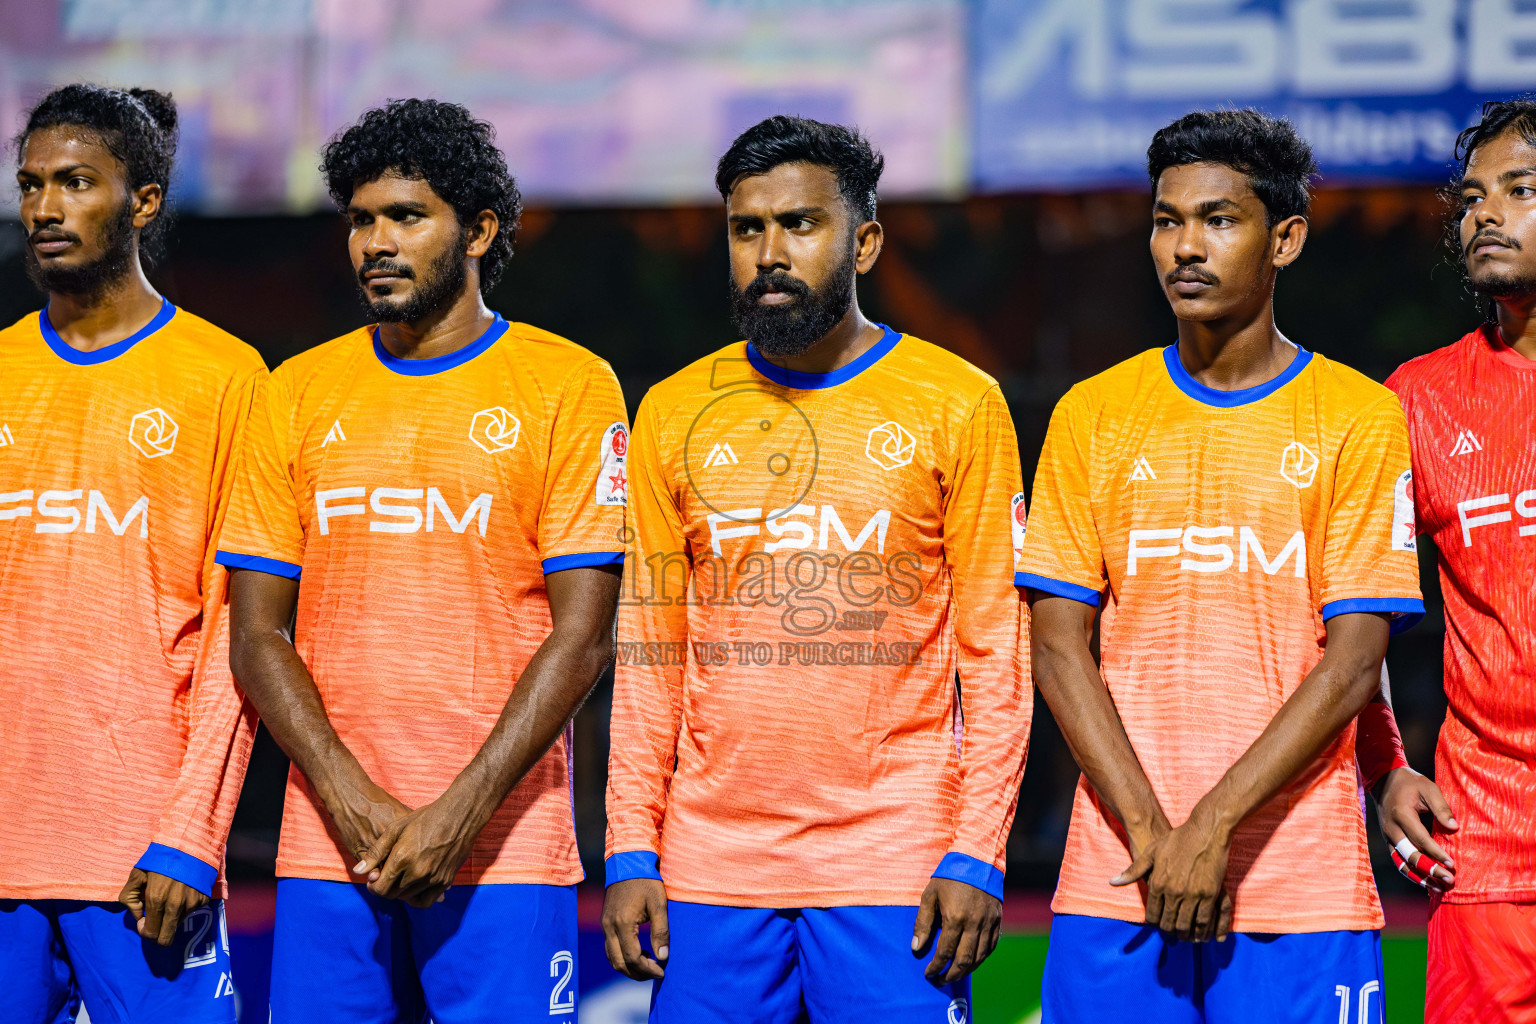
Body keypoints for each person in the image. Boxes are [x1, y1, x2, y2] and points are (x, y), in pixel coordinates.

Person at [602, 115, 1030, 1024]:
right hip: (710, 864)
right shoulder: (674, 411)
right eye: (746, 228)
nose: (769, 252)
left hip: (897, 860)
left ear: (864, 242)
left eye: (800, 224)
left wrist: (979, 849)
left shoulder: (960, 403)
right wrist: (631, 849)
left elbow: (1000, 656)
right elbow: (650, 653)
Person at [218, 99, 627, 1023]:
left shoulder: (568, 384)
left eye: (407, 217)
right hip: (329, 843)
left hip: (506, 846)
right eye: (361, 219)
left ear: (478, 230)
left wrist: (457, 817)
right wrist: (346, 794)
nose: (376, 242)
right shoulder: (294, 392)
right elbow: (256, 636)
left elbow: (584, 639)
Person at [1017, 109, 1423, 1023]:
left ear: (1285, 239)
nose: (1184, 247)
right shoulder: (1092, 413)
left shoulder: (1358, 417)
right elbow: (1055, 647)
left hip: (1300, 886)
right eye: (1167, 221)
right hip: (1118, 877)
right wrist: (1158, 833)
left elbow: (1356, 661)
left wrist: (1212, 829)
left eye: (1218, 219)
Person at [0, 84, 264, 1023]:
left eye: (76, 182)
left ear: (143, 201)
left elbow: (244, 636)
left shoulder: (226, 378)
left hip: (139, 856)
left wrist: (193, 833)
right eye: (31, 184)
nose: (44, 208)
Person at [1362, 98, 1536, 1024]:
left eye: (1520, 190)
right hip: (1487, 848)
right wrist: (1386, 763)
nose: (1486, 215)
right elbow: (1349, 614)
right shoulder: (1419, 401)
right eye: (1472, 197)